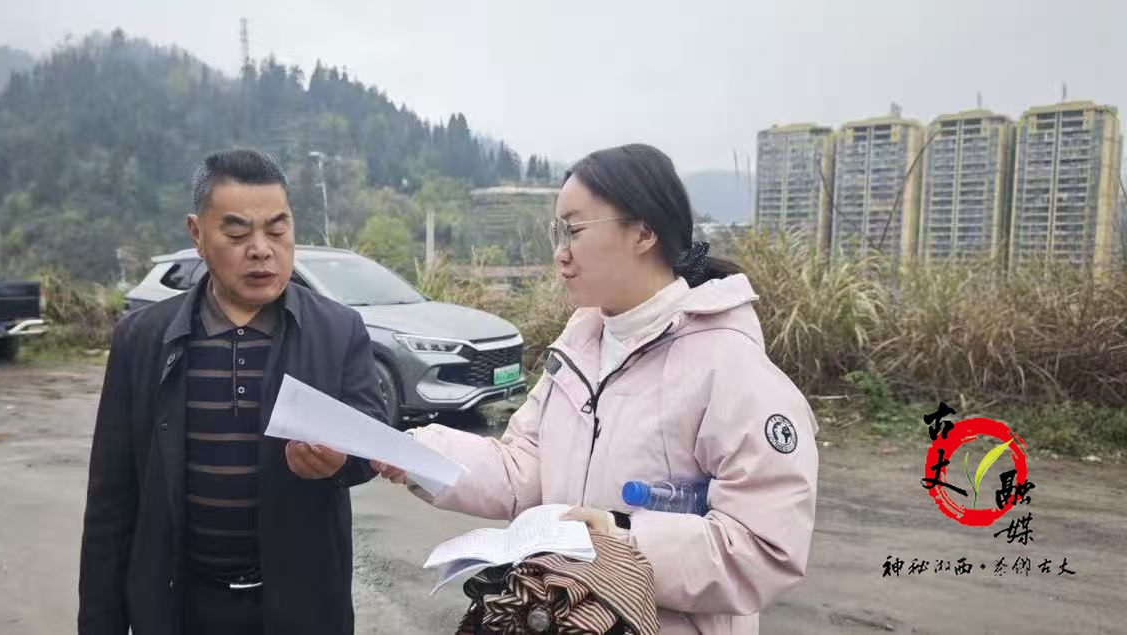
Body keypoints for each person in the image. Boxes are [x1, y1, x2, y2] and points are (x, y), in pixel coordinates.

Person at [374, 144, 819, 634]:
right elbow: (525, 467)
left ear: (644, 232)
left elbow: (763, 547)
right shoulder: (580, 347)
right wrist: (419, 453)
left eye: (575, 230)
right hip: (565, 617)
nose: (560, 252)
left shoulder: (729, 366)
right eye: (557, 233)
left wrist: (621, 540)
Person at [79, 149, 383, 635]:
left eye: (278, 230)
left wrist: (341, 460)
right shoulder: (142, 339)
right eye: (237, 233)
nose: (261, 250)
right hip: (180, 608)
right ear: (197, 234)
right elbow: (110, 505)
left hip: (302, 608)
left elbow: (372, 444)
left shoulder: (338, 330)